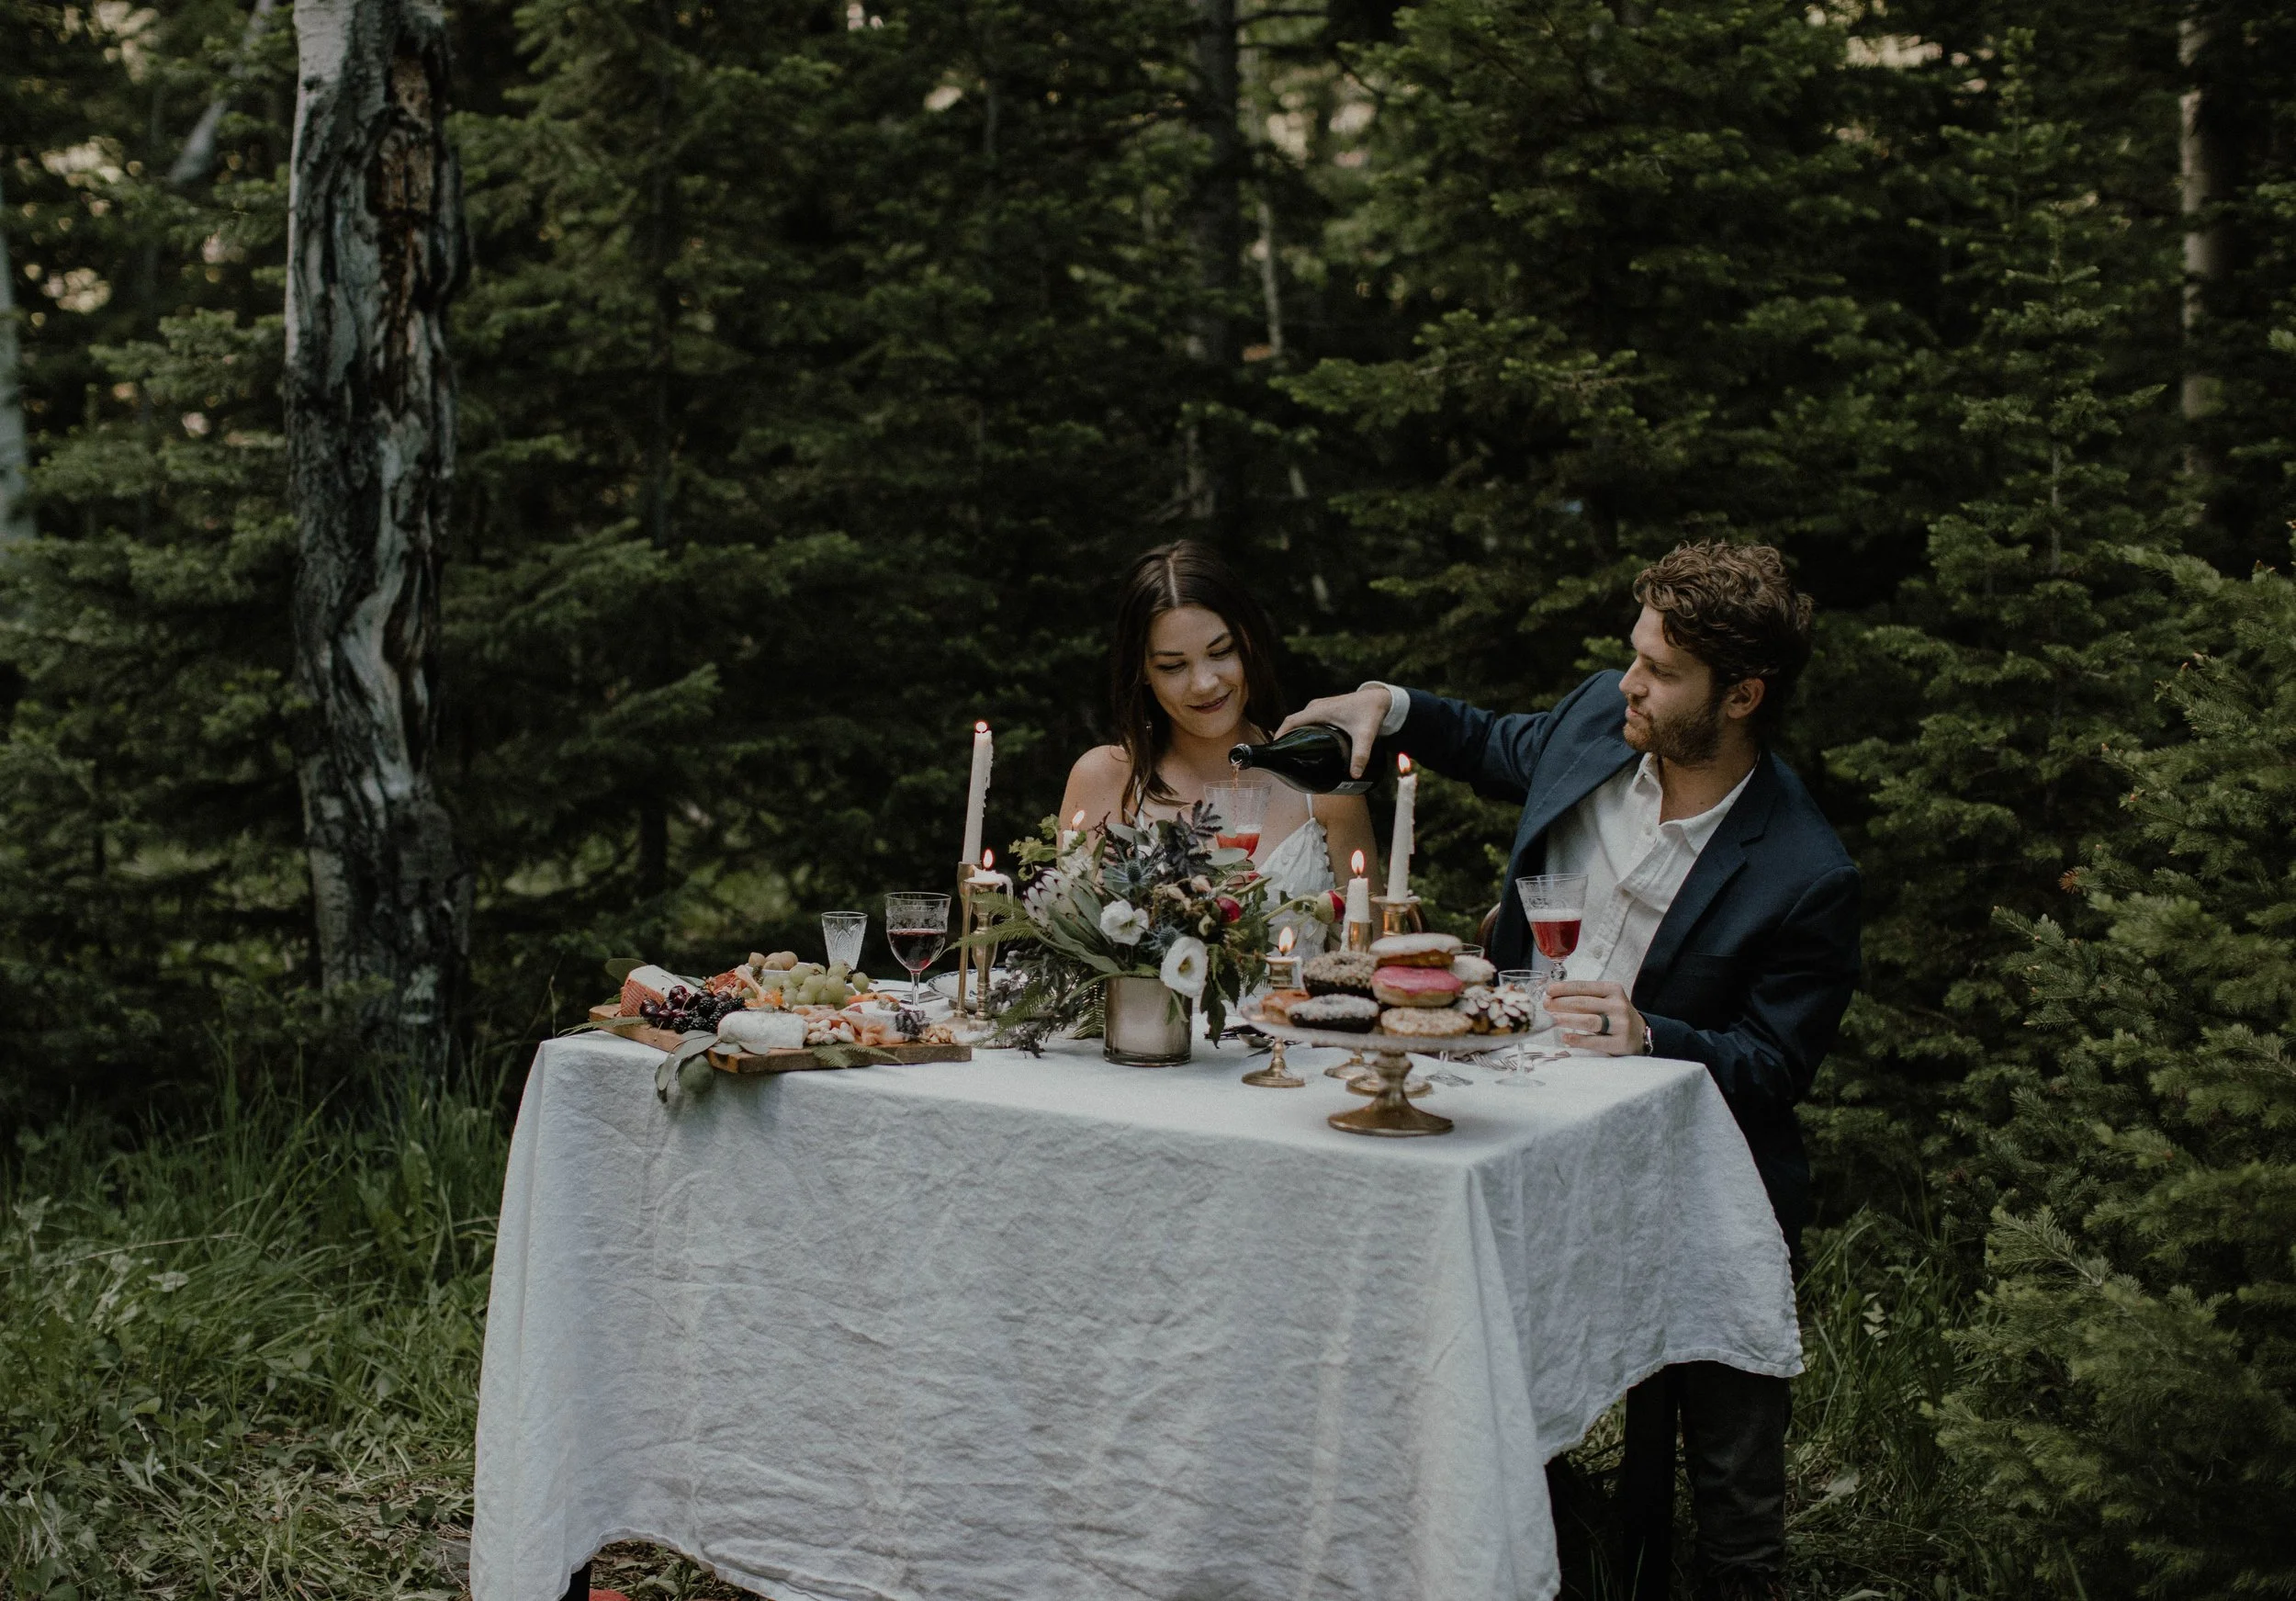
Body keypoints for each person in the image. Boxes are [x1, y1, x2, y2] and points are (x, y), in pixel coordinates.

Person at [1277, 540, 1859, 1601]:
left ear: (1742, 696)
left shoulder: (1804, 870)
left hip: (1688, 1167)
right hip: (1507, 1118)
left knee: (1730, 1453)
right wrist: (1385, 703)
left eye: (1662, 671)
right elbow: (1496, 740)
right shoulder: (1602, 716)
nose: (1631, 682)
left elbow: (1773, 1065)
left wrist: (1651, 1034)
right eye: (1634, 654)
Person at [1062, 541, 1379, 925]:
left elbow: (1369, 954)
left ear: (1247, 642)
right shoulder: (1104, 780)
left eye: (1220, 652)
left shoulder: (1322, 781)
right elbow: (1076, 955)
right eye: (1173, 666)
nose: (1204, 683)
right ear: (1143, 671)